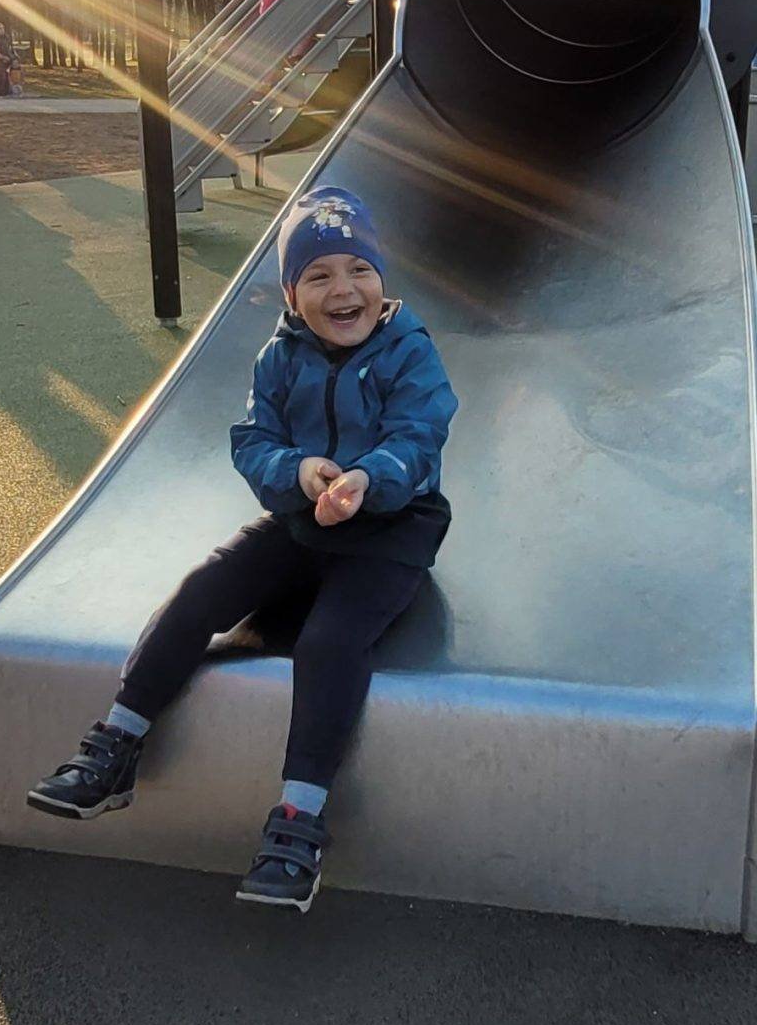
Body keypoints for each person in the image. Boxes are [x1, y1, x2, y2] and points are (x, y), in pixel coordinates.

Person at [27, 186, 458, 912]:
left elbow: (420, 435)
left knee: (330, 642)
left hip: (390, 529)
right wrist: (296, 472)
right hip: (301, 521)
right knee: (202, 590)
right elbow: (252, 440)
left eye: (358, 269)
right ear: (292, 295)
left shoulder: (409, 352)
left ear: (383, 282)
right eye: (319, 276)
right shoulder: (279, 357)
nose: (342, 288)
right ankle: (119, 742)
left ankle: (299, 818)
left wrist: (365, 477)